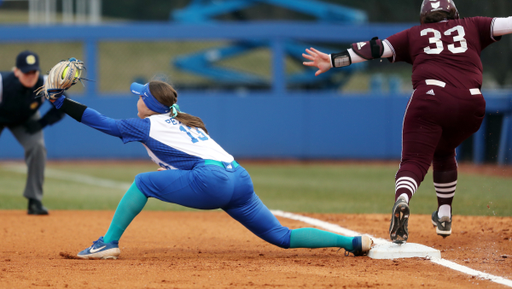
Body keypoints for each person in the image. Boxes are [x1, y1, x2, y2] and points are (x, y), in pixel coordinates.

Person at [48, 80, 373, 259]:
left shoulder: (146, 125)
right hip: (239, 177)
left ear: (148, 103)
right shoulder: (183, 120)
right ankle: (352, 243)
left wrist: (60, 101)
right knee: (280, 236)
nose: (136, 99)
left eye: (139, 96)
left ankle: (108, 242)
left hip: (211, 180)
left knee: (143, 182)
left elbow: (102, 123)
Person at [303, 0, 512, 244]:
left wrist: (334, 60)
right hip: (472, 105)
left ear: (424, 18)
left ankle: (402, 198)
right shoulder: (472, 25)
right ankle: (444, 215)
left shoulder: (414, 35)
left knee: (414, 160)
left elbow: (376, 48)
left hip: (431, 99)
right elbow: (508, 23)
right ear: (454, 13)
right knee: (444, 150)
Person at [0, 50, 66, 215]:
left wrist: (41, 123)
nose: (30, 76)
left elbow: (63, 106)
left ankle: (34, 200)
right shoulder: (2, 83)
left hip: (25, 120)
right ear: (16, 71)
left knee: (37, 147)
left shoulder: (46, 84)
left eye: (34, 72)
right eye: (25, 72)